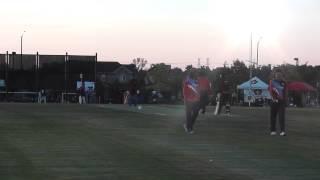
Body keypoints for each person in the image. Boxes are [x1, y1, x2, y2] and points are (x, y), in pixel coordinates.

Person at [269, 69, 287, 136]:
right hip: (274, 101)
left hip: (281, 102)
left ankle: (282, 131)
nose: (279, 76)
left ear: (281, 75)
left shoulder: (284, 82)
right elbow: (270, 90)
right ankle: (273, 130)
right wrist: (273, 98)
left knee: (281, 116)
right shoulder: (272, 82)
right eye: (277, 75)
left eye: (280, 75)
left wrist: (285, 100)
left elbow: (285, 92)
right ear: (275, 75)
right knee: (273, 116)